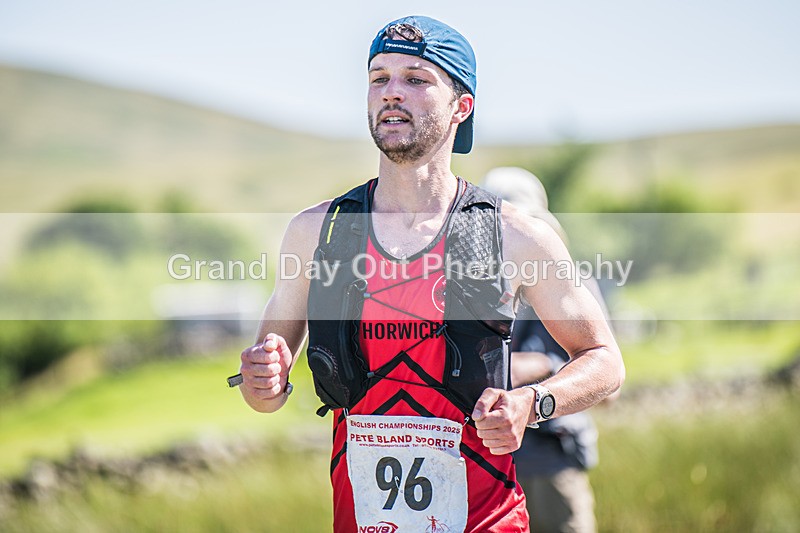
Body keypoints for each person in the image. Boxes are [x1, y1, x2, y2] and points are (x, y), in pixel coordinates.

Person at [236, 15, 624, 533]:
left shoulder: (515, 236)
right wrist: (262, 383)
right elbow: (265, 388)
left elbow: (604, 361)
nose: (392, 92)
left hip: (488, 521)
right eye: (379, 78)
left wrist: (531, 403)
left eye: (416, 79)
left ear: (461, 106)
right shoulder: (317, 232)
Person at [483, 167, 607, 533]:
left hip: (551, 462)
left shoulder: (572, 283)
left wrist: (540, 369)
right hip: (489, 472)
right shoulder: (470, 288)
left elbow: (609, 384)